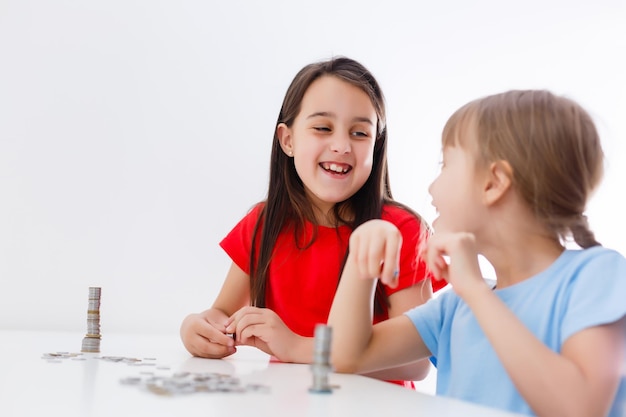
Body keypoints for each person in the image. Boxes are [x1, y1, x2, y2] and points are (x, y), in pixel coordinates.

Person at [328, 89, 626, 416]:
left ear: (493, 183)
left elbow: (580, 408)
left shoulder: (597, 275)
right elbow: (347, 356)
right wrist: (362, 257)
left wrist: (475, 291)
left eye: (445, 164)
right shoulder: (455, 307)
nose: (431, 188)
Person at [180, 56, 446, 388]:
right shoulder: (263, 224)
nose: (341, 146)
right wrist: (197, 328)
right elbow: (220, 312)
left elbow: (417, 362)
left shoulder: (400, 231)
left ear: (376, 146)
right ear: (287, 140)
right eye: (322, 128)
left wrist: (297, 346)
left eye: (360, 133)